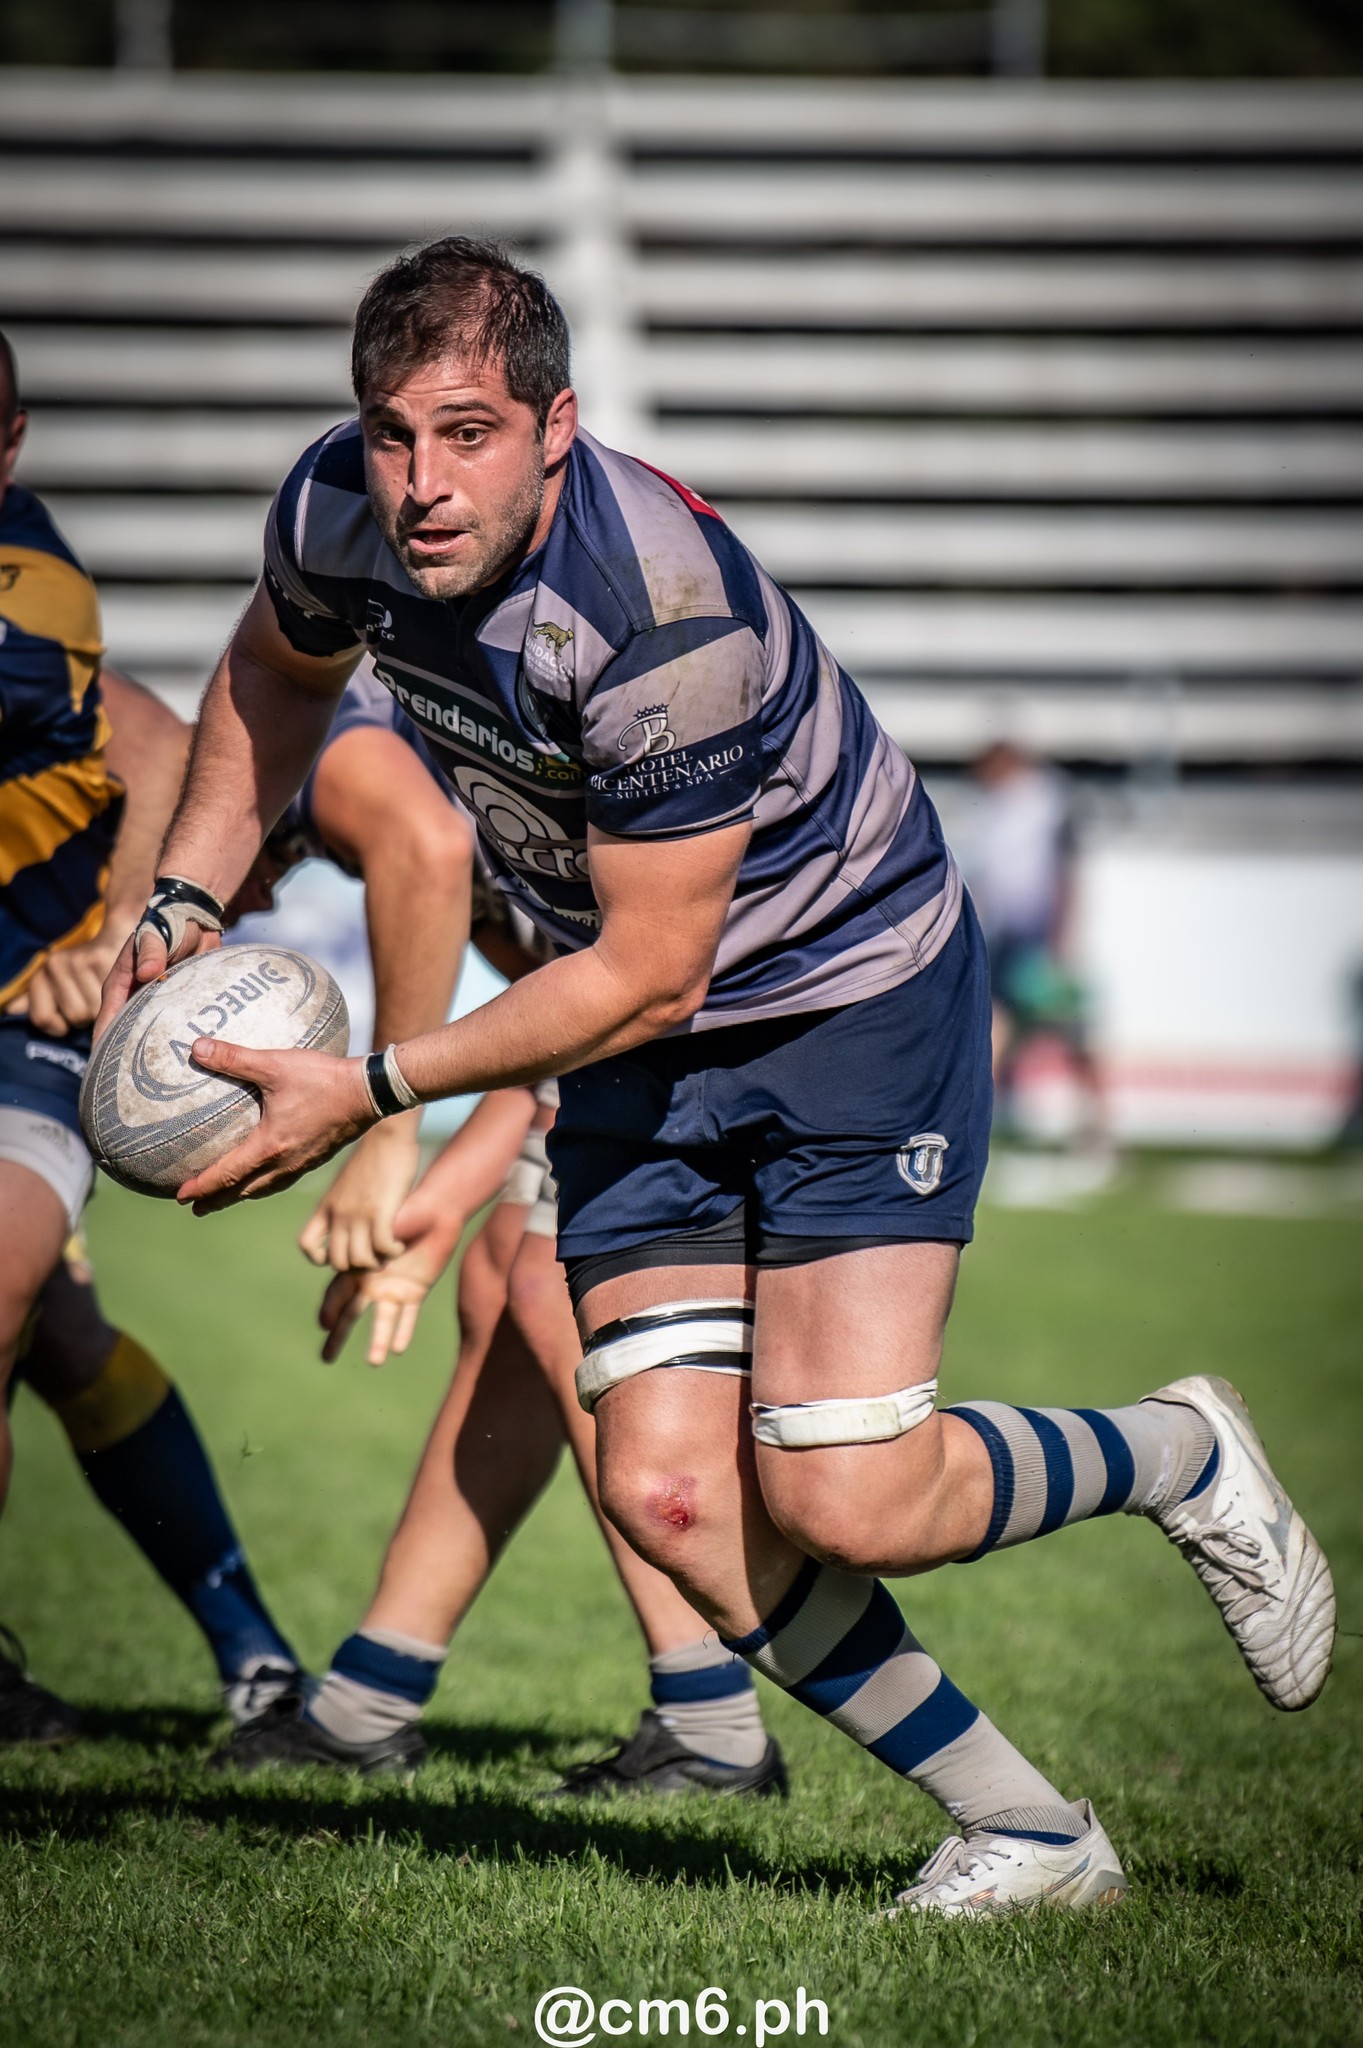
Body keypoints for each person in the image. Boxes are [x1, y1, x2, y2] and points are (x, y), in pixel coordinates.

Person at [100, 240, 1336, 1916]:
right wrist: (184, 894)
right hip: (636, 1032)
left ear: (555, 427)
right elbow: (272, 670)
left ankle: (1171, 1453)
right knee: (670, 1493)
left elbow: (650, 966)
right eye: (392, 434)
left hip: (841, 999)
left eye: (467, 434)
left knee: (850, 1493)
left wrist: (377, 1092)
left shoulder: (655, 610)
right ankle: (1033, 1833)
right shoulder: (333, 510)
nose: (419, 483)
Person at [211, 672, 786, 1794]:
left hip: (741, 1018)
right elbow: (555, 1044)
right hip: (655, 1028)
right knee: (504, 1293)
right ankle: (367, 1703)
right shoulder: (368, 783)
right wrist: (438, 1212)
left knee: (547, 1293)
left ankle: (714, 1720)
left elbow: (428, 848)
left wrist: (388, 1143)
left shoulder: (324, 754)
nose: (238, 920)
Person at [0, 331, 300, 1738]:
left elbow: (158, 741)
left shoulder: (27, 594)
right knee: (60, 1337)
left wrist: (114, 928)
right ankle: (256, 1655)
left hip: (21, 1020)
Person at [963, 740, 1105, 1147]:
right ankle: (984, 1121)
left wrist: (1061, 941)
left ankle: (1097, 1127)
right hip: (1008, 935)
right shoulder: (999, 809)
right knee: (996, 1027)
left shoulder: (1047, 804)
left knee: (1071, 1033)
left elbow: (1065, 874)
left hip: (1042, 935)